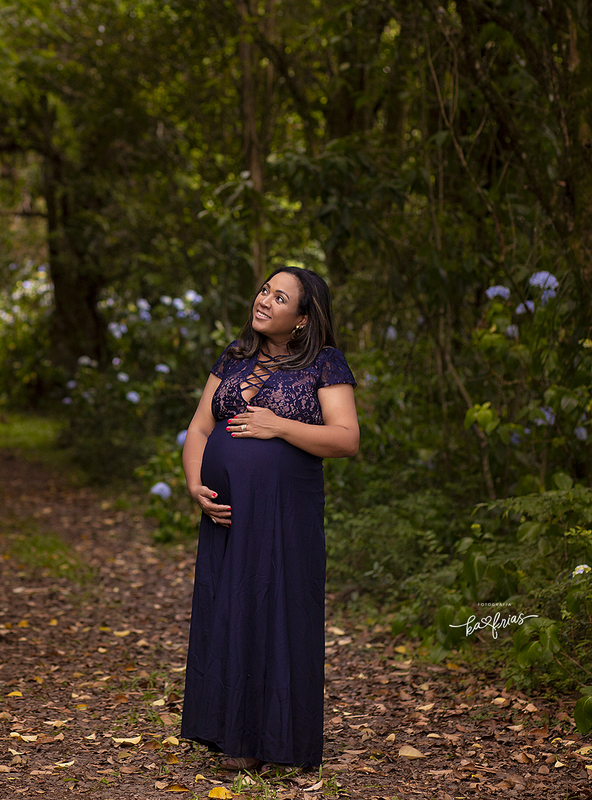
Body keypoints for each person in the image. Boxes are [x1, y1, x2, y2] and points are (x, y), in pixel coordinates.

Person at [179, 266, 359, 771]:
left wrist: (278, 425)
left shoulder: (325, 363)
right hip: (228, 516)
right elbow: (198, 428)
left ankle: (275, 739)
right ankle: (232, 735)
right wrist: (196, 485)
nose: (264, 300)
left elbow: (346, 438)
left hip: (285, 515)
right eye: (264, 290)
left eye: (279, 297)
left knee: (277, 612)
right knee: (229, 610)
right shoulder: (234, 359)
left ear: (302, 319)